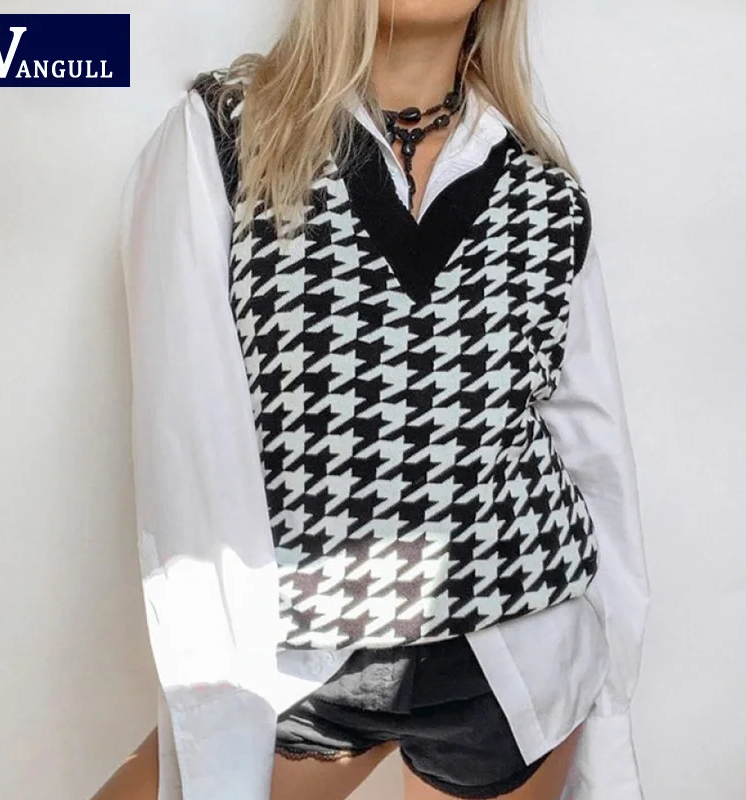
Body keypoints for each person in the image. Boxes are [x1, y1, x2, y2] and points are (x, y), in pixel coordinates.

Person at [99, 1, 651, 798]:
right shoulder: (223, 137)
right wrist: (221, 725)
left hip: (515, 655)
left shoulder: (546, 196)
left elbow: (597, 459)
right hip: (296, 663)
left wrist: (610, 722)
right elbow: (189, 454)